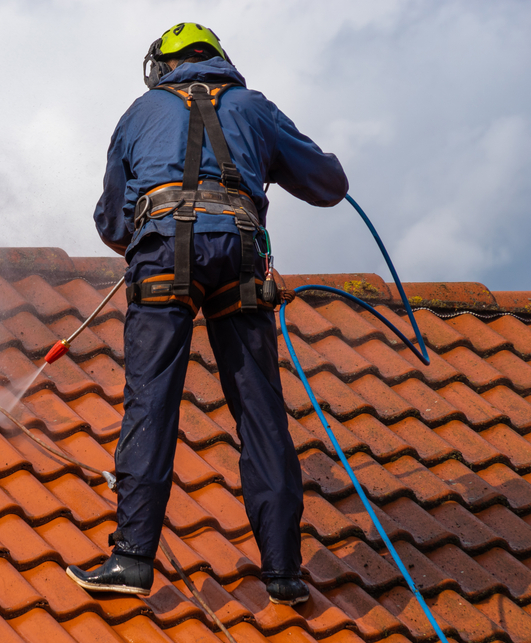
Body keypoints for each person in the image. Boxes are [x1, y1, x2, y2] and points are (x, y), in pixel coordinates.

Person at [66, 22, 347, 605]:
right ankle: (284, 573)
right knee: (261, 409)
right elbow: (327, 185)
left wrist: (156, 229)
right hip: (241, 254)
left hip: (164, 255)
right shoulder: (253, 106)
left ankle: (132, 561)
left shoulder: (138, 113)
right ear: (217, 61)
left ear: (162, 67)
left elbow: (113, 224)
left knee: (152, 401)